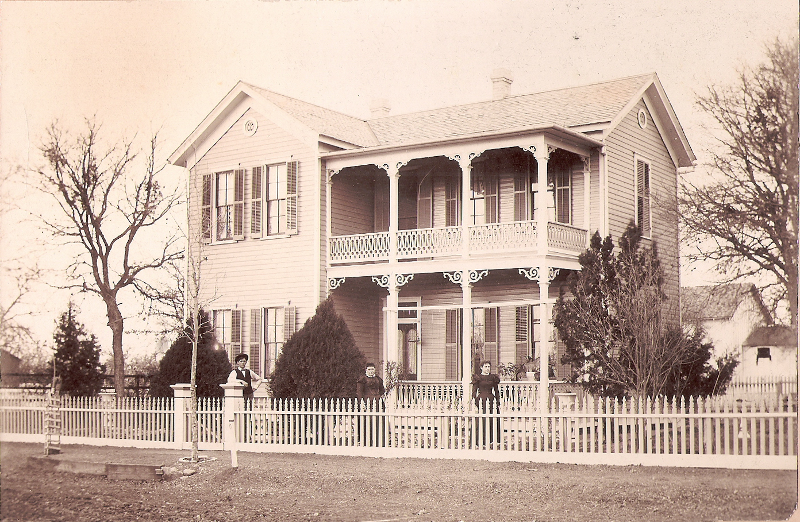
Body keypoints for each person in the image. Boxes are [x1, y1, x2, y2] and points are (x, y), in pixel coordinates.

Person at [471, 360, 501, 448]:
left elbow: (496, 391)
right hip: (481, 400)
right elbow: (474, 391)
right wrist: (474, 401)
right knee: (481, 420)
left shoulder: (493, 377)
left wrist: (498, 401)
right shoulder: (478, 377)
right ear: (481, 368)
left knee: (493, 420)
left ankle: (492, 440)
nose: (487, 369)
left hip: (491, 400)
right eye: (485, 367)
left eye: (488, 367)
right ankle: (479, 441)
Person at [356, 363, 385, 446]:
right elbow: (359, 392)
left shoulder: (378, 379)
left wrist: (379, 396)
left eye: (372, 369)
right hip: (367, 402)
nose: (371, 371)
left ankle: (379, 441)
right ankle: (366, 441)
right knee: (367, 421)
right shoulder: (362, 380)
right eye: (369, 369)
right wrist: (362, 402)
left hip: (378, 402)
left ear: (375, 370)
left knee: (378, 421)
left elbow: (382, 390)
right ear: (366, 370)